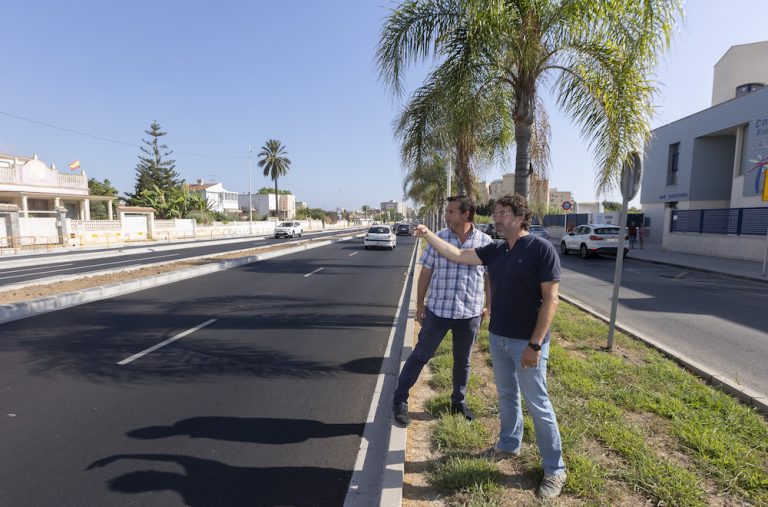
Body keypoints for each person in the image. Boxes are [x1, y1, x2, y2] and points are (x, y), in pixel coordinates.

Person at [413, 193, 567, 499]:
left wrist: (535, 345)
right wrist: (429, 234)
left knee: (538, 404)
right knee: (507, 396)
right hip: (499, 338)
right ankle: (508, 444)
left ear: (522, 217)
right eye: (495, 213)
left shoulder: (541, 249)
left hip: (527, 341)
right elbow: (457, 254)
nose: (497, 218)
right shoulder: (495, 250)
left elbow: (551, 299)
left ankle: (555, 469)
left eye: (504, 213)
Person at [392, 196, 492, 427]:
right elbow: (425, 273)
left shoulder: (485, 241)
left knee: (463, 360)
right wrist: (420, 306)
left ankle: (458, 402)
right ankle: (400, 400)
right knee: (420, 356)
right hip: (438, 311)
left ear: (466, 214)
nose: (446, 215)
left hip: (469, 313)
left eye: (451, 211)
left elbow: (488, 277)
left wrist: (488, 305)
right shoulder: (438, 239)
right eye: (446, 211)